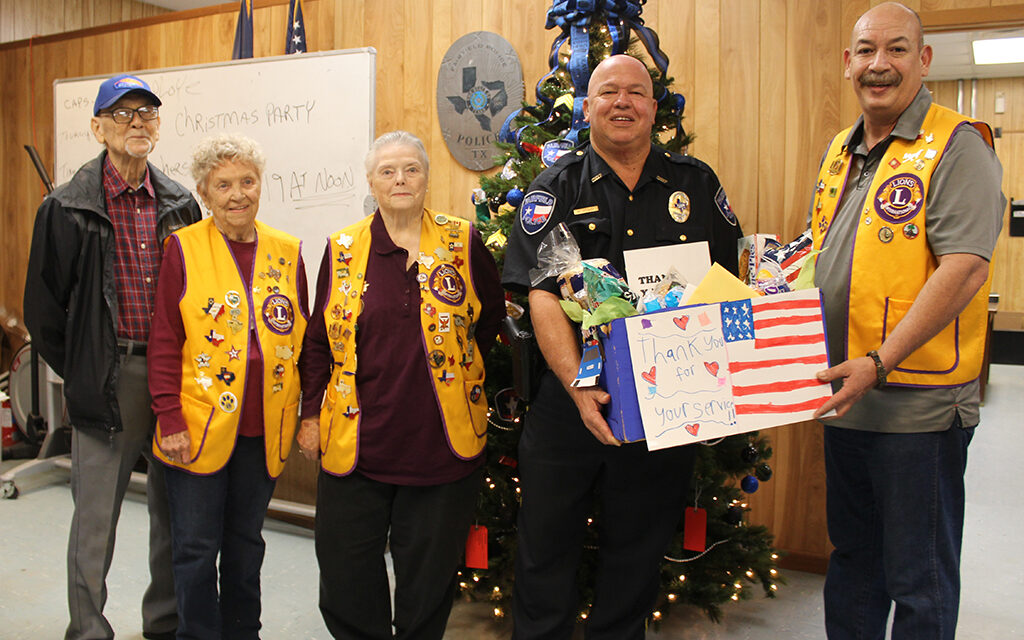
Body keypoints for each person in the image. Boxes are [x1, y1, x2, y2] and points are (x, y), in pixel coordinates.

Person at [502, 54, 744, 639]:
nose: (622, 102)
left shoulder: (696, 183)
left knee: (638, 551)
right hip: (570, 401)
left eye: (636, 92)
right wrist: (581, 389)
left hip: (664, 403)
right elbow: (542, 299)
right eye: (607, 92)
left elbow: (725, 286)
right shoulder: (553, 188)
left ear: (654, 108)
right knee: (546, 548)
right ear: (587, 108)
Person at [808, 4, 1005, 638]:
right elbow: (824, 252)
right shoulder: (843, 148)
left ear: (923, 60)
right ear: (848, 64)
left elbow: (965, 269)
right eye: (865, 51)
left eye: (896, 50)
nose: (878, 65)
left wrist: (878, 361)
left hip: (915, 406)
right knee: (855, 561)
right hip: (847, 397)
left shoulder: (959, 145)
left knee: (918, 579)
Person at [296, 130, 505, 639]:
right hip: (357, 446)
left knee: (428, 583)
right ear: (371, 182)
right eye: (388, 171)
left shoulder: (462, 242)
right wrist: (308, 416)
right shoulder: (343, 248)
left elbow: (490, 325)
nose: (401, 179)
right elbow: (319, 340)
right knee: (346, 578)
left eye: (411, 169)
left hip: (441, 448)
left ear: (427, 178)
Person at [23, 73, 200, 640]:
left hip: (174, 379)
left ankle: (165, 624)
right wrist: (84, 367)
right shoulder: (66, 207)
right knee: (95, 519)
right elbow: (44, 312)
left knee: (173, 515)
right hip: (106, 376)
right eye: (122, 115)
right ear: (98, 127)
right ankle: (89, 630)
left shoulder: (180, 203)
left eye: (147, 114)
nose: (137, 124)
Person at [147, 133, 308, 639]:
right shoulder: (183, 248)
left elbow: (303, 337)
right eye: (223, 185)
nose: (237, 194)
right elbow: (166, 339)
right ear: (203, 191)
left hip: (264, 428)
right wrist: (168, 415)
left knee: (246, 544)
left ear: (260, 186)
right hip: (197, 425)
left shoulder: (287, 251)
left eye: (247, 182)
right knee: (195, 547)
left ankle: (244, 632)